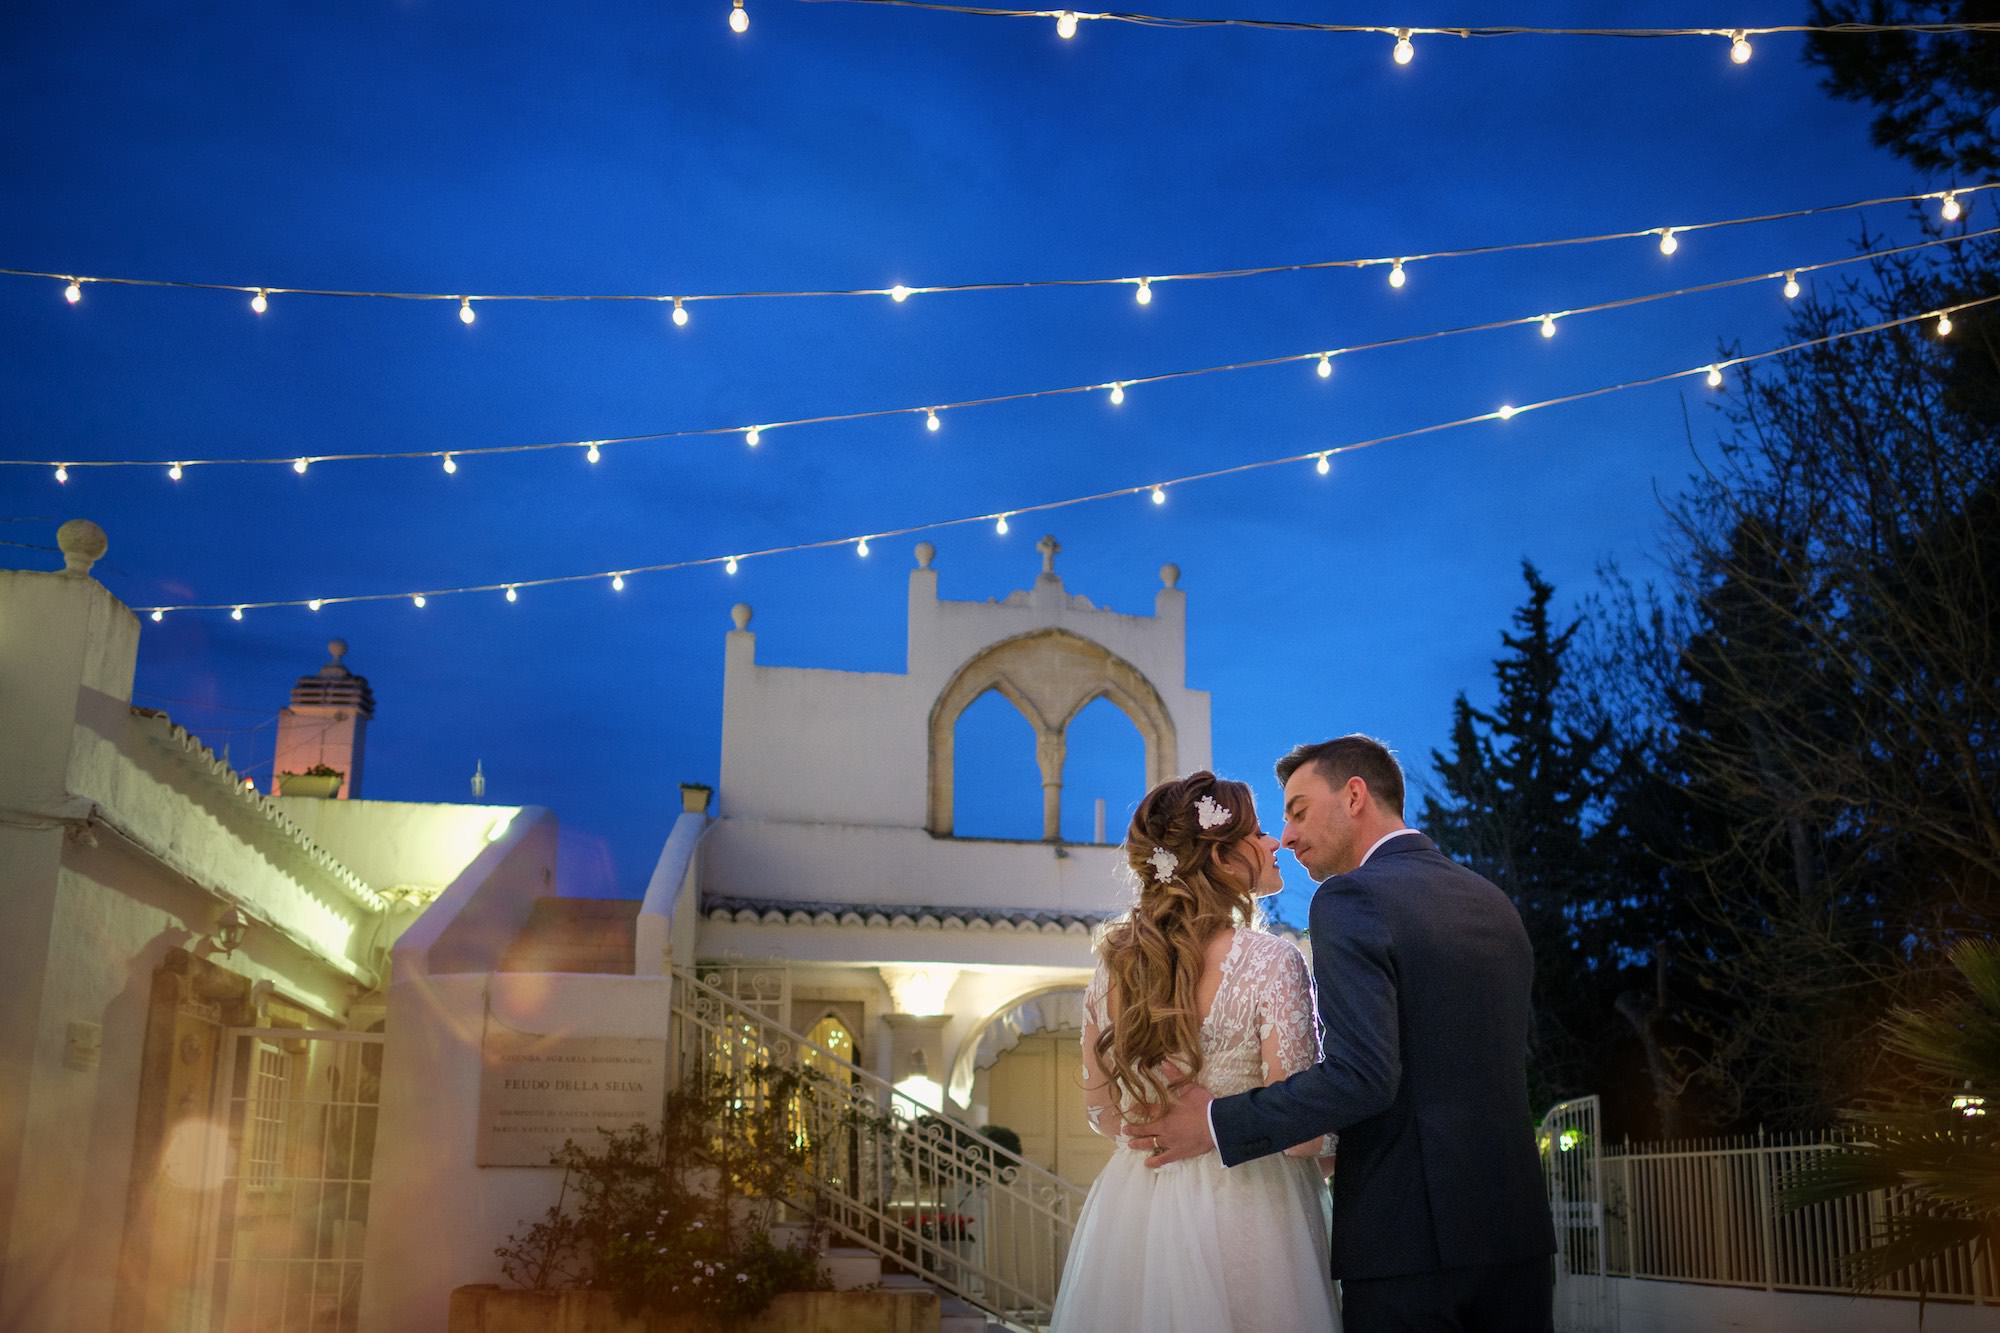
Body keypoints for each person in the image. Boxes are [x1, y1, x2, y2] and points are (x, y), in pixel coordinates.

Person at [1137, 735, 1556, 1332]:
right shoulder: (1490, 900)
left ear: (1355, 795)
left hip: (1406, 1244)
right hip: (1517, 1236)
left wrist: (1213, 1122)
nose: (1285, 836)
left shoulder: (1351, 898)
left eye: (1299, 811)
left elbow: (1362, 1078)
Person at [1050, 771, 1341, 1332]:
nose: (1274, 842)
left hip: (1137, 1208)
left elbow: (1105, 1115)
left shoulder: (1114, 966)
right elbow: (1305, 1136)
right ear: (1222, 858)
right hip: (1252, 1206)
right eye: (1257, 833)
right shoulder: (1271, 961)